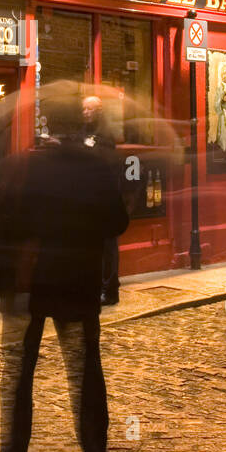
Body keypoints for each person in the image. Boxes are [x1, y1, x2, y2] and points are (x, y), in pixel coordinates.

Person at [0, 83, 129, 452]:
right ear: (80, 125)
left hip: (25, 286)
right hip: (76, 281)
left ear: (44, 122)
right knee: (83, 370)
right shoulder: (96, 167)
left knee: (17, 373)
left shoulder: (16, 165)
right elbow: (118, 222)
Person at [80, 94, 122, 306]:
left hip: (105, 198)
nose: (86, 112)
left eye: (89, 109)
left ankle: (110, 291)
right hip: (89, 196)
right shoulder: (84, 132)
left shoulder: (106, 134)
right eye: (84, 109)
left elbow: (105, 163)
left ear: (99, 111)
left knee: (107, 246)